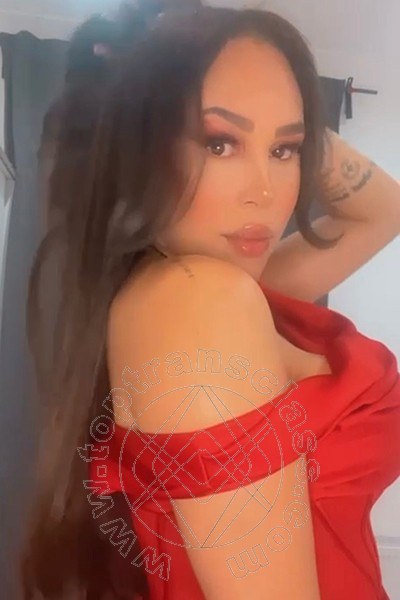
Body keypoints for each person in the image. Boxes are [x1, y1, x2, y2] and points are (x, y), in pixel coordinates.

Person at [21, 2, 400, 599]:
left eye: (285, 150)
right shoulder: (200, 303)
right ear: (138, 152)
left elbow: (384, 211)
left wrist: (276, 106)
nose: (266, 192)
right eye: (219, 143)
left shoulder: (224, 287)